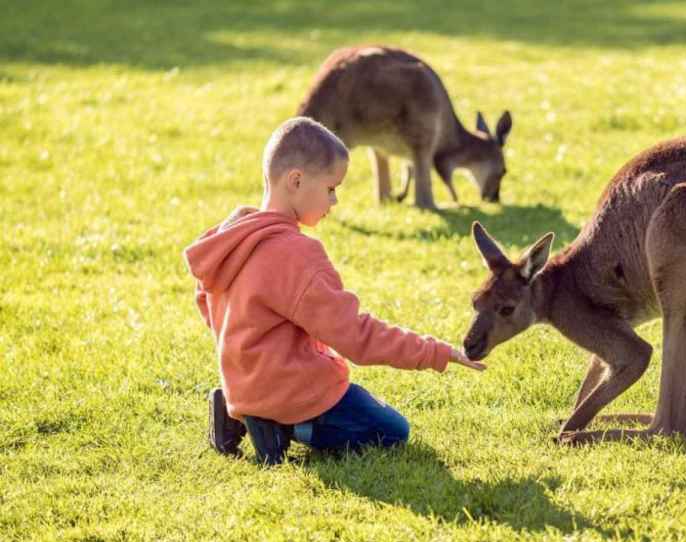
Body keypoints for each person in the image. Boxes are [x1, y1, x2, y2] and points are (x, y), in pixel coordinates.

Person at [184, 117, 484, 465]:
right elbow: (355, 335)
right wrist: (435, 351)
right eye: (331, 188)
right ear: (296, 181)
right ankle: (285, 428)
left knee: (361, 411)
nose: (335, 200)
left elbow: (206, 302)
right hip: (295, 393)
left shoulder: (230, 237)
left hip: (242, 383)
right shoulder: (297, 254)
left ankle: (237, 410)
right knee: (392, 431)